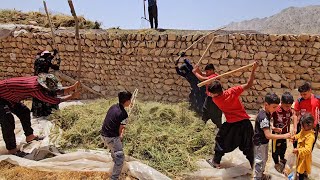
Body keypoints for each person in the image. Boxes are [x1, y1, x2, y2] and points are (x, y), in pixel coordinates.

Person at [0, 74, 80, 157]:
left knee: (24, 111)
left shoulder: (38, 80)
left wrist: (71, 88)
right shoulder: (34, 89)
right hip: (1, 97)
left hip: (9, 97)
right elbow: (52, 100)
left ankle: (29, 136)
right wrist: (71, 96)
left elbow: (54, 90)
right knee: (7, 120)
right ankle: (12, 149)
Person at [206, 62, 258, 169]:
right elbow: (249, 84)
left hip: (232, 124)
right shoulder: (233, 91)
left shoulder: (216, 100)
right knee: (248, 145)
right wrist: (253, 70)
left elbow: (214, 90)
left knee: (220, 140)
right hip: (245, 123)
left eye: (212, 93)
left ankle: (216, 161)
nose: (210, 95)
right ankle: (254, 166)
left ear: (216, 93)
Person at [253, 93, 291, 180]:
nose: (275, 109)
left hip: (263, 142)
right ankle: (257, 177)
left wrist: (273, 128)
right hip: (260, 143)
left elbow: (265, 127)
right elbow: (268, 135)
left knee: (264, 159)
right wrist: (284, 136)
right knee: (260, 161)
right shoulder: (264, 117)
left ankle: (261, 175)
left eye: (276, 107)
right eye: (274, 107)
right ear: (266, 104)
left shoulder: (267, 112)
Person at [100, 91, 132, 180]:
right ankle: (114, 178)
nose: (131, 102)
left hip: (103, 135)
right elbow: (121, 129)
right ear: (126, 101)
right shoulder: (124, 114)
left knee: (114, 151)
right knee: (120, 158)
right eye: (130, 100)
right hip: (111, 138)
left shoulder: (113, 107)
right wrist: (120, 137)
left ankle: (115, 163)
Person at [271, 92, 297, 173]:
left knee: (283, 147)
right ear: (281, 103)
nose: (288, 108)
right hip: (276, 135)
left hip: (285, 135)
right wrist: (273, 127)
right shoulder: (276, 110)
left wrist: (295, 127)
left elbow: (295, 116)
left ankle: (282, 159)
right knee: (275, 150)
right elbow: (269, 119)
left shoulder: (289, 110)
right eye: (286, 106)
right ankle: (276, 163)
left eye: (289, 106)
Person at [32, 49, 61, 117]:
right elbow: (56, 67)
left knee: (37, 95)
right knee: (49, 94)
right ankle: (49, 111)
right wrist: (57, 58)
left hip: (35, 79)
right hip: (43, 80)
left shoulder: (37, 60)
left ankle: (37, 113)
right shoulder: (46, 61)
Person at [193, 63, 222, 128]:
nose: (206, 73)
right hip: (209, 98)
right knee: (205, 111)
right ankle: (201, 127)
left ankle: (221, 130)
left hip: (214, 99)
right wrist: (197, 69)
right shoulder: (211, 75)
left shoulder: (214, 76)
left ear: (212, 70)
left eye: (207, 72)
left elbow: (203, 79)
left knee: (215, 116)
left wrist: (195, 73)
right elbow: (202, 74)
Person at [293, 82, 320, 149]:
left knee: (310, 147)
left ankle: (307, 158)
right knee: (299, 145)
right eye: (301, 94)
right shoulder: (299, 101)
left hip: (314, 127)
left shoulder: (318, 99)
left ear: (310, 90)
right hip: (302, 127)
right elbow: (295, 115)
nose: (303, 96)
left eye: (305, 94)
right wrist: (295, 128)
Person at [292, 113, 315, 180]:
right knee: (297, 168)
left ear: (308, 125)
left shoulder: (310, 136)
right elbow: (299, 135)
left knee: (301, 171)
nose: (301, 126)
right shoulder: (304, 130)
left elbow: (308, 150)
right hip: (300, 155)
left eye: (302, 125)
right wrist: (294, 137)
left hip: (304, 158)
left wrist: (298, 150)